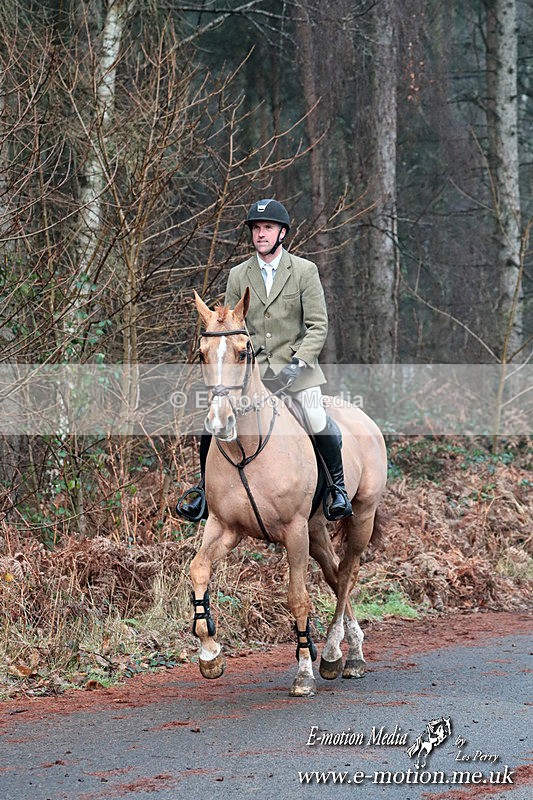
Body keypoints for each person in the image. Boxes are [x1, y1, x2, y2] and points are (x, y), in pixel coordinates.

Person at [176, 199, 352, 522]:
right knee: (211, 421)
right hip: (249, 373)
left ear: (282, 233)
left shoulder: (304, 271)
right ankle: (202, 492)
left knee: (315, 417)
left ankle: (336, 489)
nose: (261, 234)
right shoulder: (237, 275)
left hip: (297, 371)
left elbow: (318, 325)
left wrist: (298, 363)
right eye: (256, 229)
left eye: (267, 228)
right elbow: (228, 326)